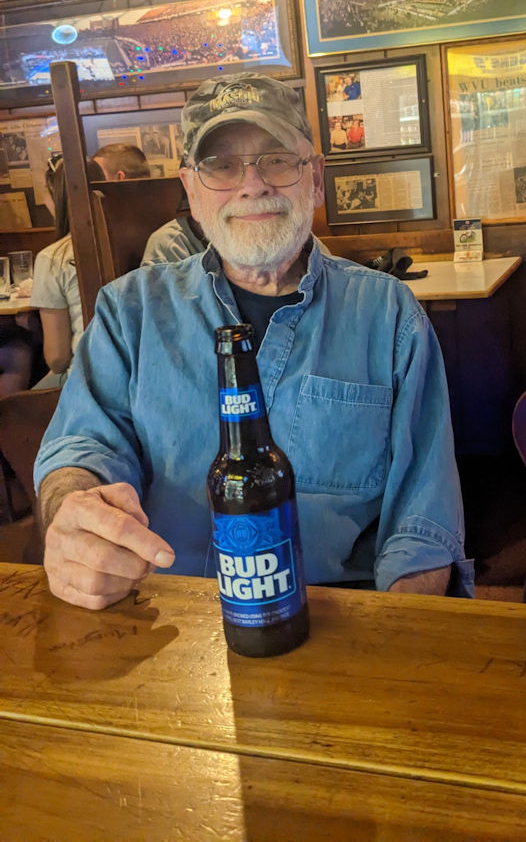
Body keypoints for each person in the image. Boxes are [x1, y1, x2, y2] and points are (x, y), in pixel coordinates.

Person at [34, 72, 472, 610]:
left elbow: (422, 521)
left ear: (315, 179)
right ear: (191, 190)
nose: (253, 184)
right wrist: (75, 511)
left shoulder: (388, 314)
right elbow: (82, 450)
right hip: (165, 614)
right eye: (221, 165)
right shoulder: (130, 311)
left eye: (277, 159)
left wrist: (393, 634)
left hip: (334, 617)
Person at [29, 157, 106, 386]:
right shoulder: (128, 240)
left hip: (85, 378)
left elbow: (57, 359)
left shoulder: (53, 258)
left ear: (56, 196)